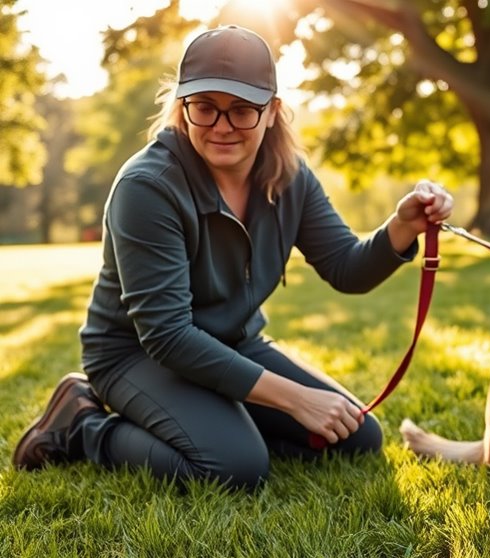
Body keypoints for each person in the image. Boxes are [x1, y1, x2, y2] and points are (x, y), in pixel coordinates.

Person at [11, 25, 454, 490]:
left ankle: (224, 421)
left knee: (356, 435)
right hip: (136, 355)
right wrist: (294, 399)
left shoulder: (291, 177)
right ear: (182, 107)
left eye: (242, 110)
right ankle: (81, 426)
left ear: (272, 112)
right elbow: (166, 335)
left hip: (234, 344)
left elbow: (347, 267)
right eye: (205, 108)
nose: (222, 127)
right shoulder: (147, 187)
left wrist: (403, 226)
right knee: (235, 467)